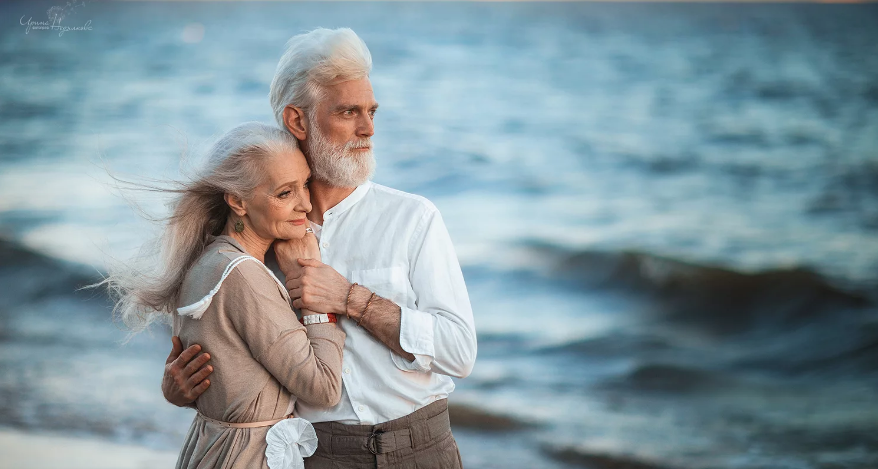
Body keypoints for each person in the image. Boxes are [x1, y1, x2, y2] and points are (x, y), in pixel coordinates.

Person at [164, 28, 477, 468]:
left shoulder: (413, 218)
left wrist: (352, 300)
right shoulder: (256, 234)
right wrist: (179, 387)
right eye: (348, 112)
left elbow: (459, 352)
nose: (367, 128)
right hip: (313, 454)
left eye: (371, 111)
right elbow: (215, 348)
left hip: (421, 448)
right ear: (297, 121)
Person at [107, 122, 347, 468]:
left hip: (213, 448)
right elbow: (323, 389)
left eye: (305, 185)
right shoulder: (244, 277)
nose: (306, 205)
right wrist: (313, 291)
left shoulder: (205, 261)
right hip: (245, 457)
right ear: (237, 201)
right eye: (285, 193)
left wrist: (178, 394)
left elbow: (221, 379)